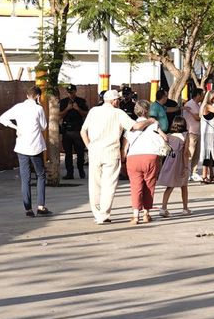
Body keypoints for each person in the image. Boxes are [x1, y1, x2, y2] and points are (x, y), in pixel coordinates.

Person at [80, 89, 150, 224]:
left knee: (94, 184)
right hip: (111, 152)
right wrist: (149, 121)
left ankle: (97, 213)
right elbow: (135, 126)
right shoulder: (118, 113)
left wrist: (89, 147)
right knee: (109, 185)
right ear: (115, 101)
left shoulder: (93, 111)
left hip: (94, 151)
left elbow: (83, 131)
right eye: (118, 99)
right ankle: (103, 215)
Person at [0, 85, 52, 218]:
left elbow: (2, 118)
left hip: (21, 146)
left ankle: (28, 209)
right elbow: (44, 126)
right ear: (38, 96)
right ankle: (41, 206)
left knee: (25, 178)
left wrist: (16, 127)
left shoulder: (18, 107)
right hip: (35, 147)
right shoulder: (38, 108)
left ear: (27, 95)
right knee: (40, 175)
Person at [125, 99, 167, 225]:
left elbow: (125, 146)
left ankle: (135, 215)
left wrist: (123, 159)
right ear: (147, 110)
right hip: (150, 156)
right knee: (149, 185)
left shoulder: (130, 125)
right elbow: (164, 137)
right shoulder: (154, 124)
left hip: (133, 157)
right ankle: (146, 214)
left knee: (135, 186)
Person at [158, 115, 192, 218]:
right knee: (184, 185)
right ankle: (185, 208)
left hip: (170, 161)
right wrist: (186, 166)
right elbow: (185, 152)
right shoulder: (186, 135)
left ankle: (163, 208)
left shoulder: (168, 135)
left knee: (170, 186)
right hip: (180, 162)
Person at [57, 84, 88, 179]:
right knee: (68, 154)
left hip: (78, 131)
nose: (71, 94)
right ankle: (69, 173)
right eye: (69, 93)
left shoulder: (81, 101)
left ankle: (81, 170)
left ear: (75, 91)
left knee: (80, 153)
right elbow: (59, 115)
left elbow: (86, 113)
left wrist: (78, 109)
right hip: (67, 131)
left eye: (72, 92)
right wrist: (67, 109)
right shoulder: (63, 102)